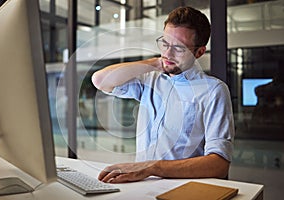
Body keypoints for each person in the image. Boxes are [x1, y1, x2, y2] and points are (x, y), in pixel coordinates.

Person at [91, 6, 235, 183]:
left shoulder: (214, 91)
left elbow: (219, 165)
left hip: (183, 189)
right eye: (165, 43)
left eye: (179, 48)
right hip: (141, 185)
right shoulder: (151, 79)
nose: (168, 53)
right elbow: (100, 80)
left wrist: (152, 167)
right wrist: (156, 63)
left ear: (199, 52)